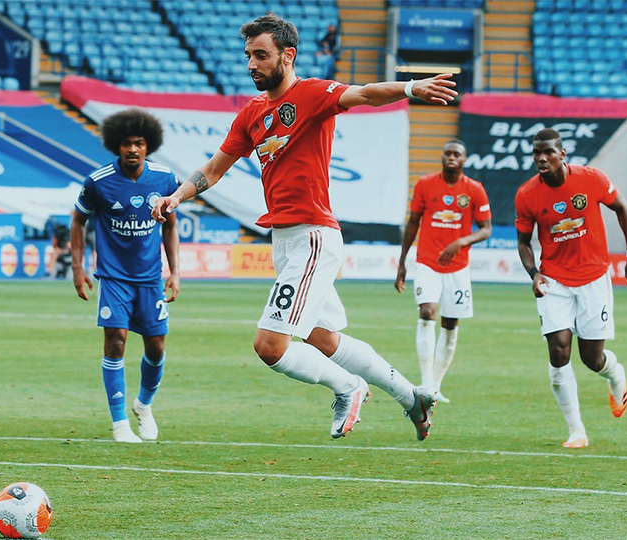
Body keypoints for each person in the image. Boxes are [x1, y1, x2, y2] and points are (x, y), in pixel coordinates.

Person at [152, 14, 458, 440]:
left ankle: (348, 387)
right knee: (324, 339)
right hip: (286, 240)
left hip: (313, 236)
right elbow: (214, 168)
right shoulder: (253, 113)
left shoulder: (313, 94)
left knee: (269, 346)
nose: (252, 64)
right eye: (248, 56)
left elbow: (366, 93)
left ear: (287, 55)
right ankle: (413, 397)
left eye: (261, 55)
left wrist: (410, 88)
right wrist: (177, 196)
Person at [515, 127, 627, 449]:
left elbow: (622, 208)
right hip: (554, 280)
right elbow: (523, 242)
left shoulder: (591, 179)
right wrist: (534, 273)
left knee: (592, 359)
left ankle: (615, 374)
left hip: (594, 278)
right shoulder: (527, 194)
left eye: (548, 152)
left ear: (562, 154)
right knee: (559, 351)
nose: (542, 158)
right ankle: (576, 431)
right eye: (537, 153)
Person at [71, 108, 180, 443]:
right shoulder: (98, 182)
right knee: (116, 339)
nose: (133, 149)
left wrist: (175, 272)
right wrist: (77, 267)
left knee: (156, 347)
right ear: (116, 146)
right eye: (127, 143)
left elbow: (170, 227)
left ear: (149, 146)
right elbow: (78, 220)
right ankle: (120, 424)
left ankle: (143, 405)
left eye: (139, 143)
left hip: (149, 278)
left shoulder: (165, 179)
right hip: (114, 277)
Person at [395, 139, 491, 404]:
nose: (451, 157)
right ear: (441, 157)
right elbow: (413, 222)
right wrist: (402, 262)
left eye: (456, 154)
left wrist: (461, 242)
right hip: (427, 262)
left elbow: (486, 229)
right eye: (447, 153)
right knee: (427, 313)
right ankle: (426, 383)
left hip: (458, 268)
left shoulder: (474, 189)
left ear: (464, 159)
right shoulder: (425, 184)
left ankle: (436, 385)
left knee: (450, 324)